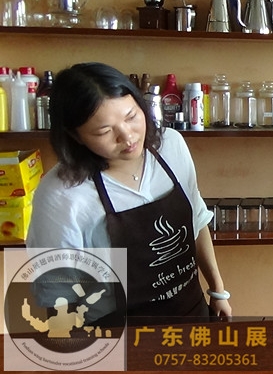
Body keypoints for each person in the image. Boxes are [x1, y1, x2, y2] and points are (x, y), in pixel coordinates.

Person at [27, 62, 232, 322]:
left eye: (132, 117)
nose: (127, 137)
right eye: (104, 131)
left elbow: (197, 221)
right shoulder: (61, 195)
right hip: (117, 333)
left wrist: (217, 291)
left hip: (191, 314)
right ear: (75, 137)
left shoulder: (171, 146)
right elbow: (58, 292)